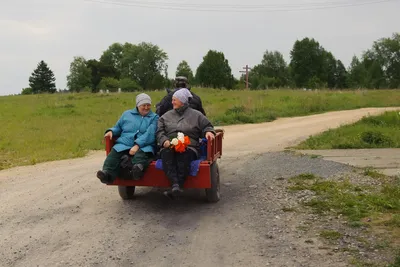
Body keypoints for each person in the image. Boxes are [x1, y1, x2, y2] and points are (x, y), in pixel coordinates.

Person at [156, 88, 215, 197]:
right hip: (170, 145)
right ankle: (175, 185)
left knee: (183, 156)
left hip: (189, 146)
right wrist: (164, 141)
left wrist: (208, 132)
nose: (172, 102)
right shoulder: (165, 116)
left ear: (182, 101)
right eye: (172, 100)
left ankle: (178, 185)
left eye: (175, 100)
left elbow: (207, 126)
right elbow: (159, 131)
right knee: (166, 154)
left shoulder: (197, 115)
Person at [96, 93, 159, 184]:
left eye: (148, 105)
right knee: (114, 154)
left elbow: (150, 134)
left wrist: (137, 145)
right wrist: (111, 132)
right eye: (143, 105)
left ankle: (137, 170)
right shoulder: (127, 114)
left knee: (141, 156)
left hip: (144, 145)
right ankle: (106, 174)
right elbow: (118, 127)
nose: (146, 108)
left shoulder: (154, 117)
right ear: (138, 105)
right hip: (125, 143)